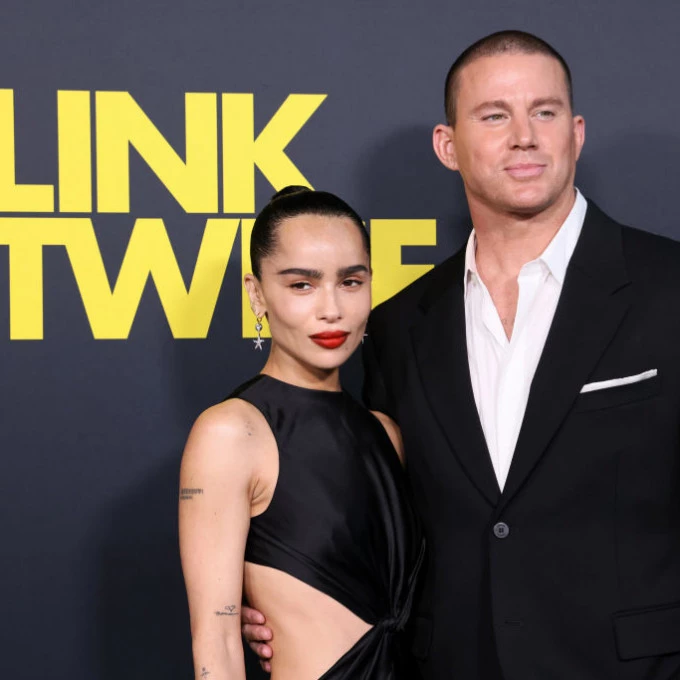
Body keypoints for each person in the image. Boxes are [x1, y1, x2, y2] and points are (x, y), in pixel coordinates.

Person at [243, 30, 680, 679]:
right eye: (495, 116)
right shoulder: (397, 327)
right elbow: (380, 520)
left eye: (545, 112)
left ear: (576, 132)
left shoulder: (667, 288)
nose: (524, 136)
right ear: (448, 146)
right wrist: (291, 599)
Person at [179, 186, 424, 680]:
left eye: (350, 281)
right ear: (257, 293)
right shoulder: (231, 434)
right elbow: (217, 642)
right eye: (302, 285)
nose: (331, 309)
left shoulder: (386, 434)